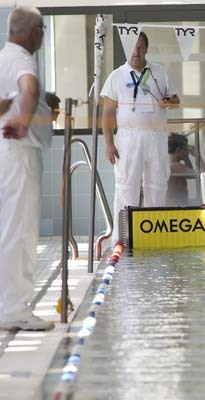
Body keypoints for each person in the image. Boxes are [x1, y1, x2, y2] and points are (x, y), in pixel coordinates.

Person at [0, 6, 54, 331]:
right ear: (35, 32)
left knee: (8, 228)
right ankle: (15, 309)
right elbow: (29, 90)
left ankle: (7, 305)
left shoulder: (2, 58)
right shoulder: (23, 59)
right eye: (42, 31)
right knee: (21, 231)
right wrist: (23, 121)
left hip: (6, 153)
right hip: (20, 154)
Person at [101, 31, 180, 246]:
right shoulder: (116, 76)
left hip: (156, 137)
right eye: (133, 47)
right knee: (127, 187)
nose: (136, 52)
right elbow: (107, 113)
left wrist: (170, 102)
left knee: (157, 185)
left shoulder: (159, 72)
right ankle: (123, 239)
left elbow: (176, 101)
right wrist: (108, 144)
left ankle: (155, 237)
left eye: (140, 47)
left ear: (146, 49)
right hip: (128, 139)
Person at [167, 133, 205, 206]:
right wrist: (197, 155)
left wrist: (186, 157)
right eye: (186, 148)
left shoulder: (172, 165)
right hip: (177, 207)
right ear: (178, 149)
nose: (188, 150)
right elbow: (203, 173)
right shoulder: (176, 166)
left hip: (179, 205)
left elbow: (189, 174)